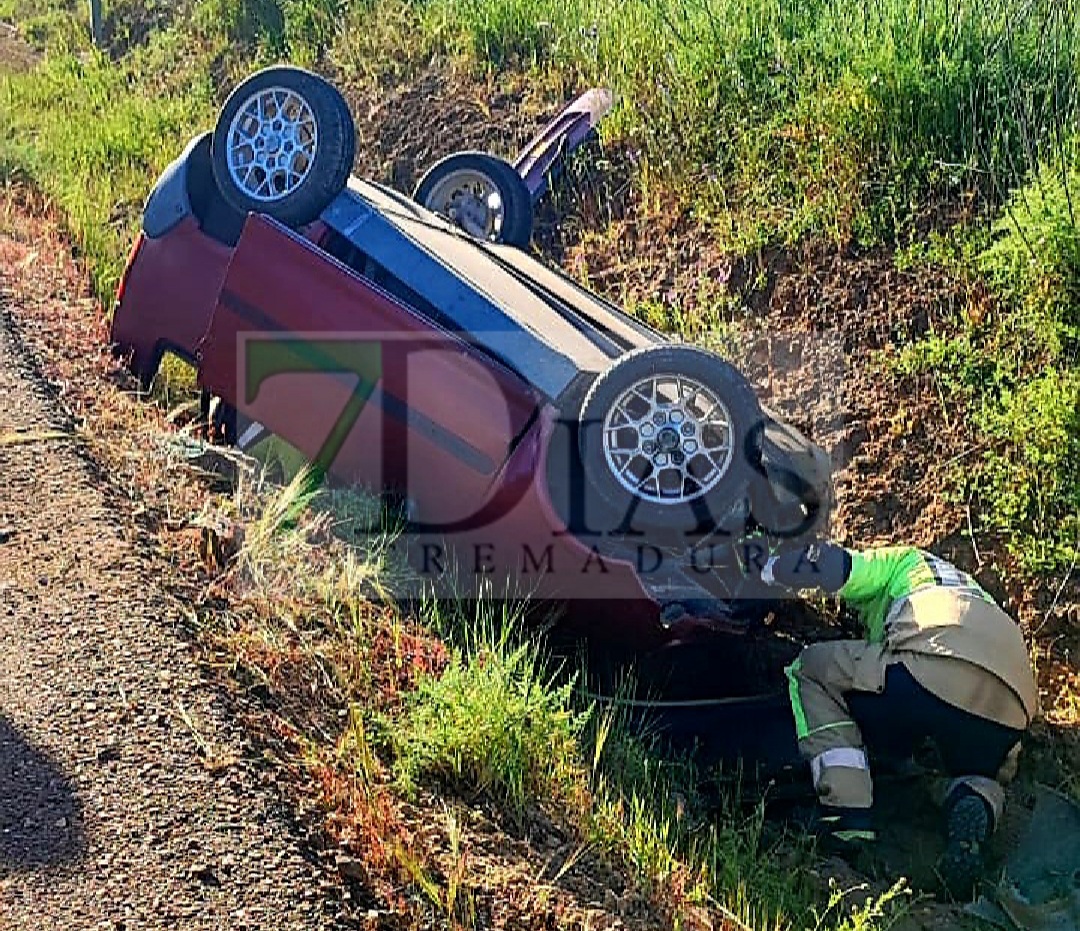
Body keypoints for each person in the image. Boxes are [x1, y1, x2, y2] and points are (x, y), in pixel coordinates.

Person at [758, 542, 1039, 897]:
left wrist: (768, 570)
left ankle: (847, 818)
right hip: (1011, 706)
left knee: (812, 669)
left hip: (932, 662)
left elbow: (834, 566)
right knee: (982, 772)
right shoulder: (974, 592)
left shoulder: (905, 562)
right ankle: (975, 800)